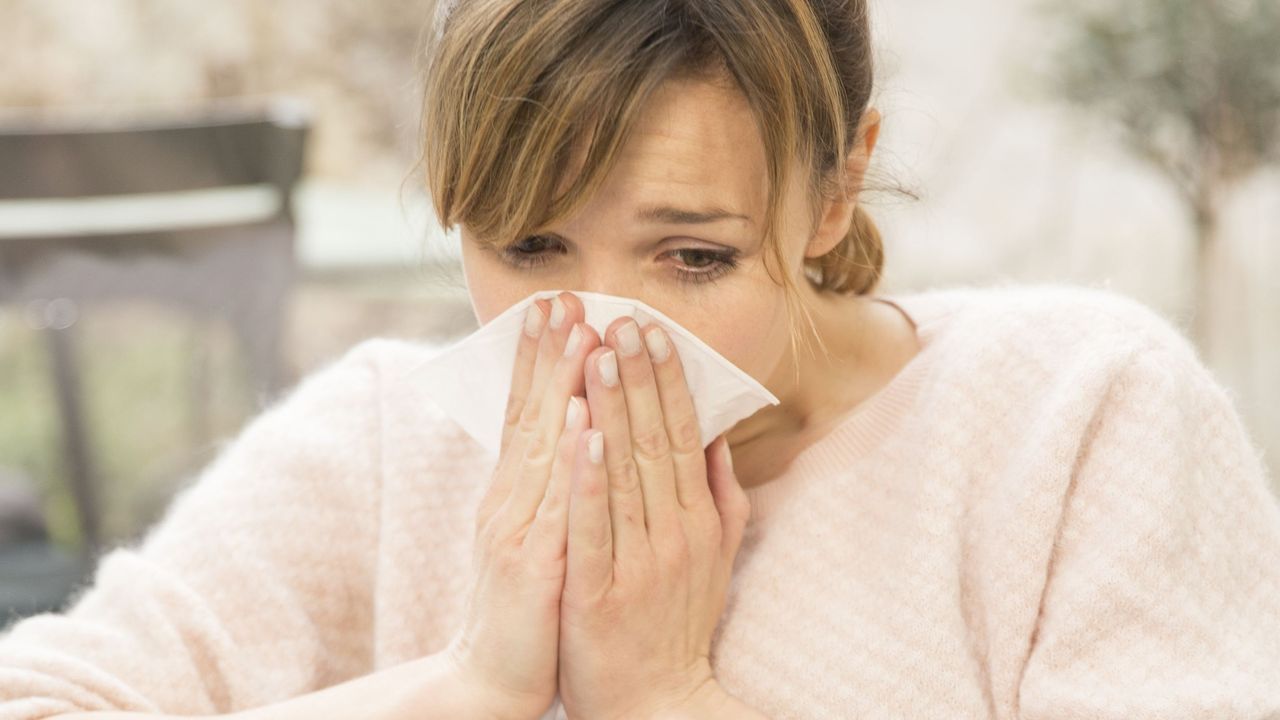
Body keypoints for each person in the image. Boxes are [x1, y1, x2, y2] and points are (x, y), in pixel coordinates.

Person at [3, 0, 1280, 718]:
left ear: (832, 189)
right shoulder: (385, 443)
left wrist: (665, 694)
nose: (597, 335)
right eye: (526, 244)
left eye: (692, 257)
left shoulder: (1072, 418)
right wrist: (471, 688)